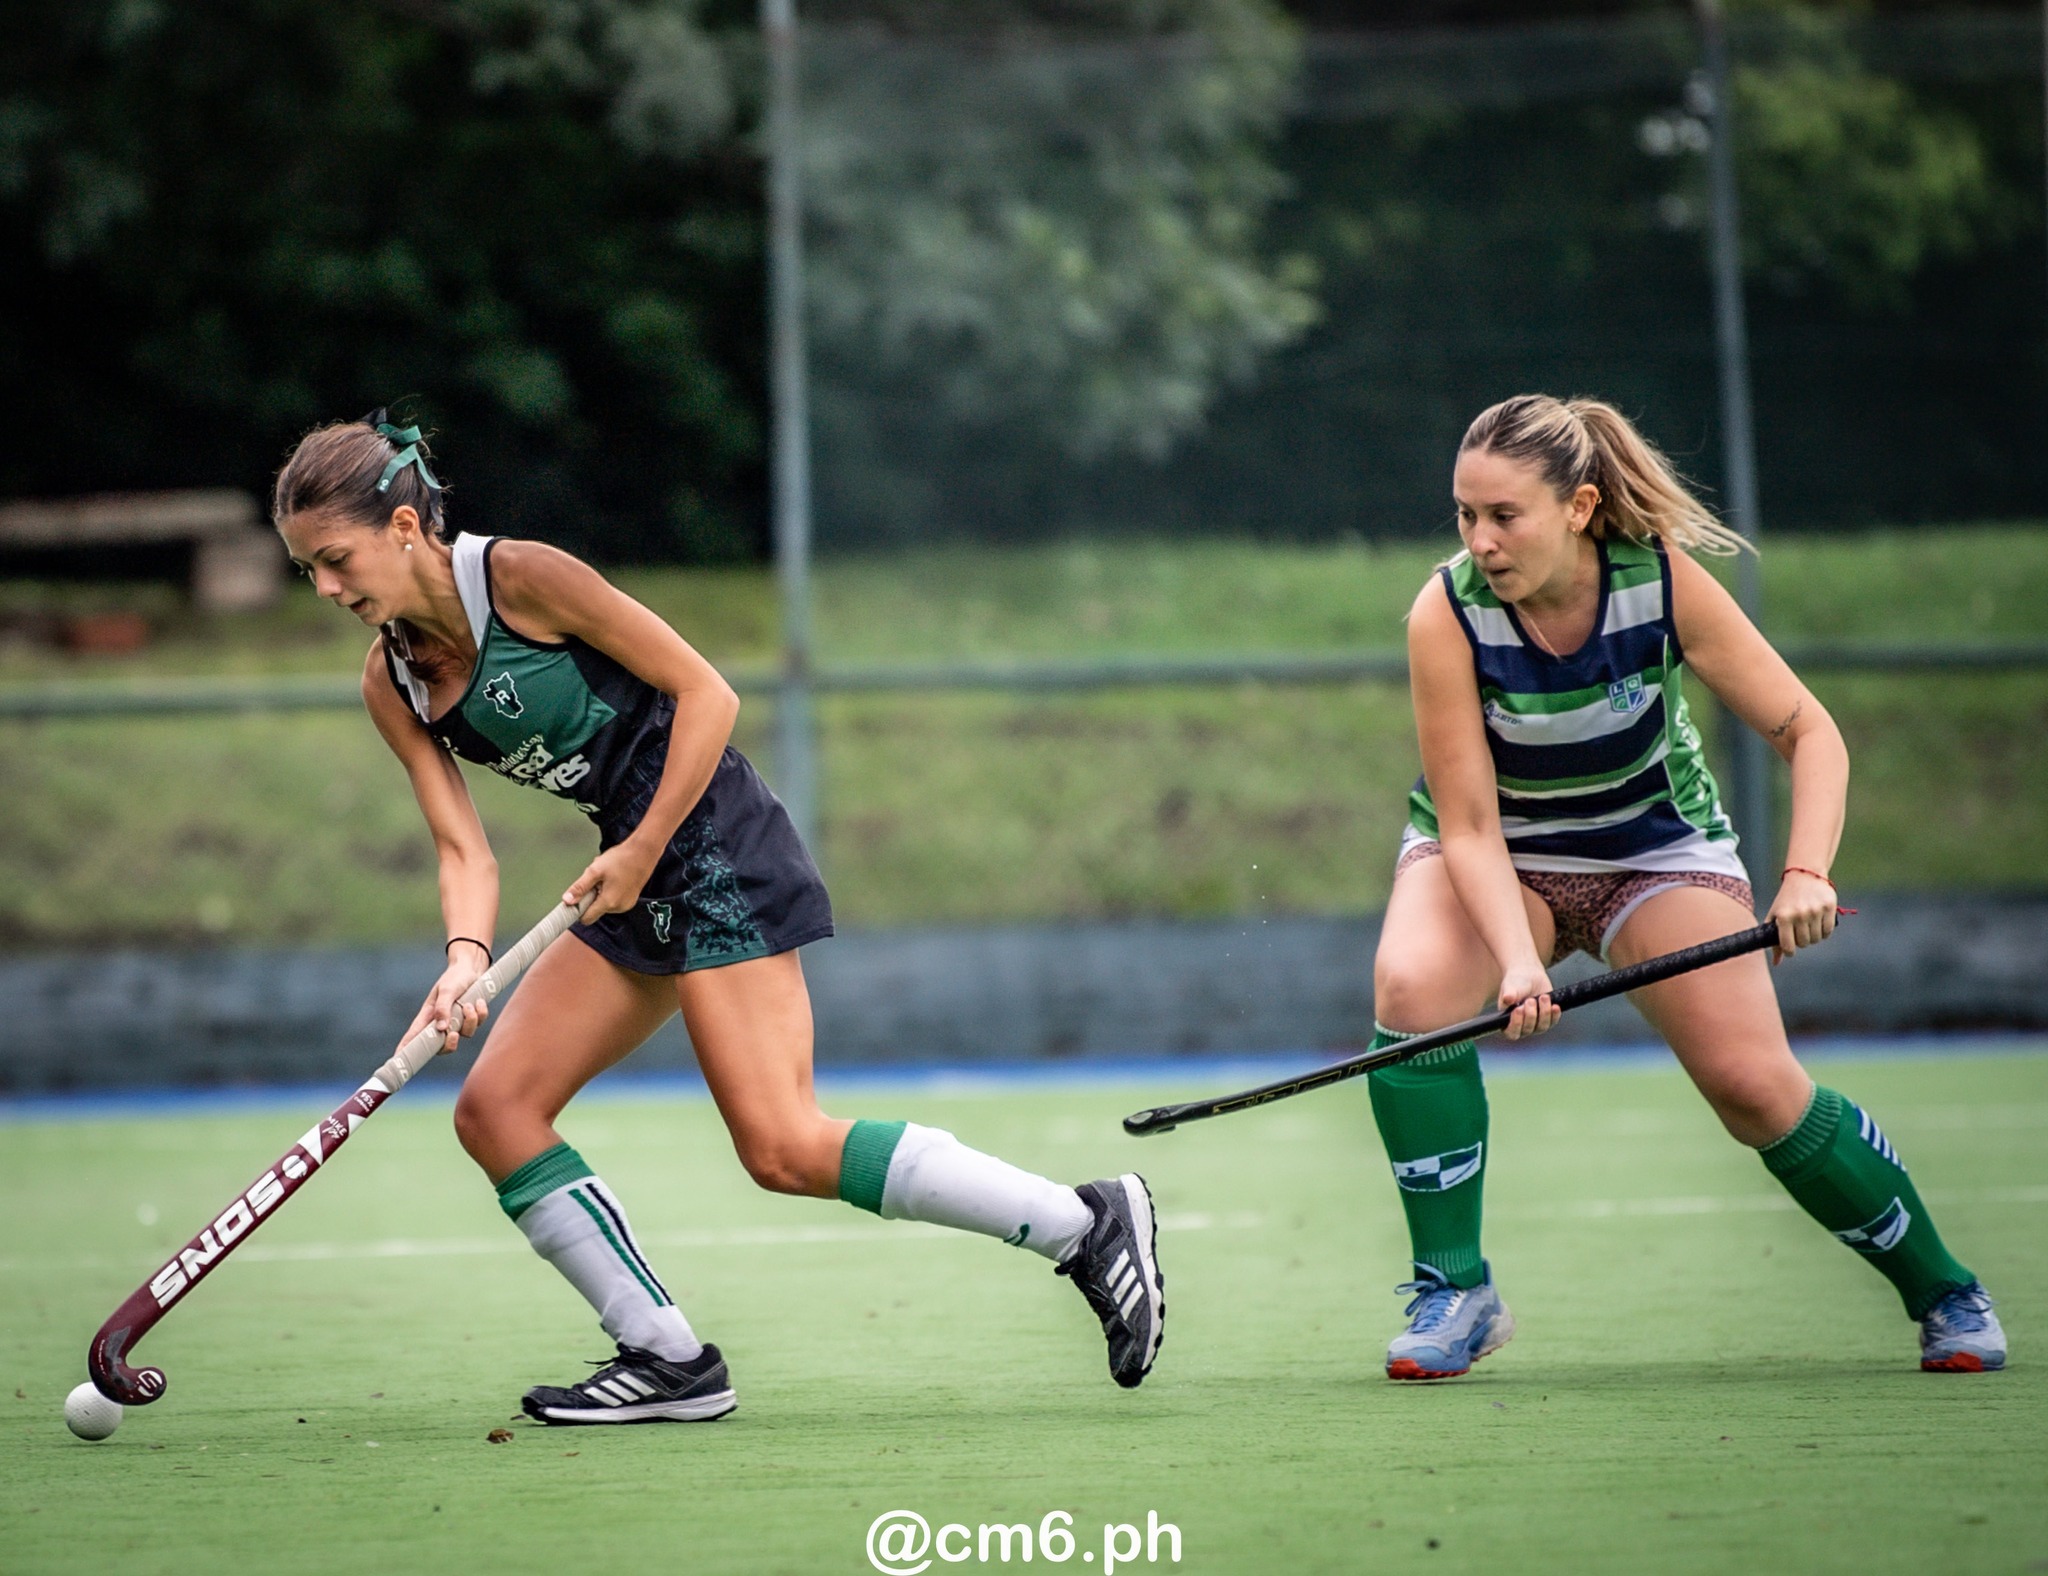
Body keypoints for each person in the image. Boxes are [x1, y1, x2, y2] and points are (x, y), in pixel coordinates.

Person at [269, 412, 1165, 1422]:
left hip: (715, 846)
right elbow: (462, 849)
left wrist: (642, 848)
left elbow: (707, 693)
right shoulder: (392, 681)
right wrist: (463, 957)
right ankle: (665, 1357)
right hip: (626, 865)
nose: (328, 590)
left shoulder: (521, 578)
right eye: (309, 571)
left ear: (400, 526)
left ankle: (1080, 1224)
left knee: (780, 1144)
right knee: (495, 1110)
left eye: (334, 561)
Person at [1364, 394, 2003, 1380]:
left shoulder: (1660, 581)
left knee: (1752, 1088)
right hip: (1506, 854)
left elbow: (1808, 733)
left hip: (1651, 855)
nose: (1479, 541)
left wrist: (1803, 873)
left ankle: (1942, 1289)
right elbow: (1469, 825)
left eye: (1503, 515)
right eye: (1464, 515)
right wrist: (1516, 958)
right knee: (1411, 990)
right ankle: (1455, 1287)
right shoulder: (1443, 612)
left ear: (1578, 506)